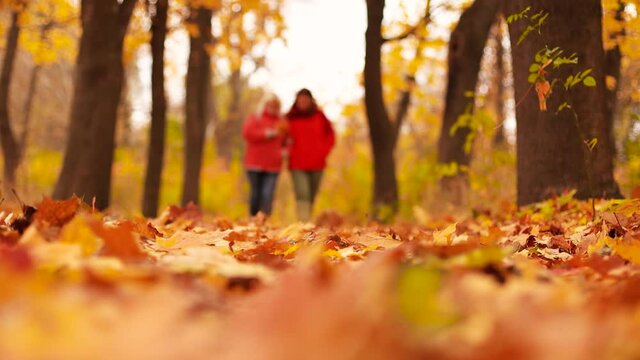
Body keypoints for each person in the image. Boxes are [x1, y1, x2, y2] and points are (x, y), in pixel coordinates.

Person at [286, 88, 335, 221]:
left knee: (312, 194)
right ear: (296, 101)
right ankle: (303, 223)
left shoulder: (319, 115)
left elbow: (330, 134)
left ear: (310, 100)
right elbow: (282, 138)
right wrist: (288, 151)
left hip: (317, 162)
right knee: (303, 193)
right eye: (300, 100)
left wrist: (324, 151)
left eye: (305, 99)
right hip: (297, 162)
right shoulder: (289, 118)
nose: (302, 102)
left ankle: (306, 222)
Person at [242, 97, 288, 217]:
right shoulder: (255, 117)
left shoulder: (282, 122)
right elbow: (247, 134)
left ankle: (265, 221)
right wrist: (266, 134)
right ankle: (253, 218)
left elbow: (287, 141)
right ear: (265, 105)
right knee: (256, 193)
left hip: (273, 164)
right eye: (270, 105)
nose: (273, 108)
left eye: (276, 106)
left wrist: (285, 151)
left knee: (268, 193)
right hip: (254, 163)